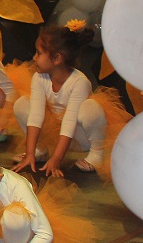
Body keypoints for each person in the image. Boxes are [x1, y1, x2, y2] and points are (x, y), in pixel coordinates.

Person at [10, 21, 129, 179]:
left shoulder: (79, 82)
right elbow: (35, 115)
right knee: (22, 104)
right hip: (55, 134)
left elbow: (69, 121)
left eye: (38, 53)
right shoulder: (39, 77)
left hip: (80, 138)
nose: (34, 57)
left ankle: (96, 154)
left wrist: (57, 159)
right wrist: (30, 153)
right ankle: (41, 150)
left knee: (91, 108)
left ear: (57, 58)